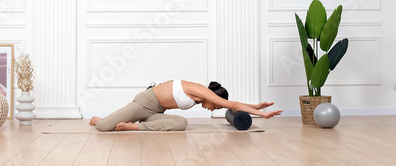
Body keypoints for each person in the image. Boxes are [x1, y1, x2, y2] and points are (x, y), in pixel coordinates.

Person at [89, 80, 282, 131]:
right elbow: (232, 104)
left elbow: (231, 105)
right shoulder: (200, 90)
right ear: (213, 97)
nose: (211, 109)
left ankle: (134, 126)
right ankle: (100, 119)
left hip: (156, 111)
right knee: (104, 127)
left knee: (180, 123)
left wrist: (256, 107)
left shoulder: (203, 97)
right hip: (144, 103)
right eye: (214, 106)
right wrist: (262, 115)